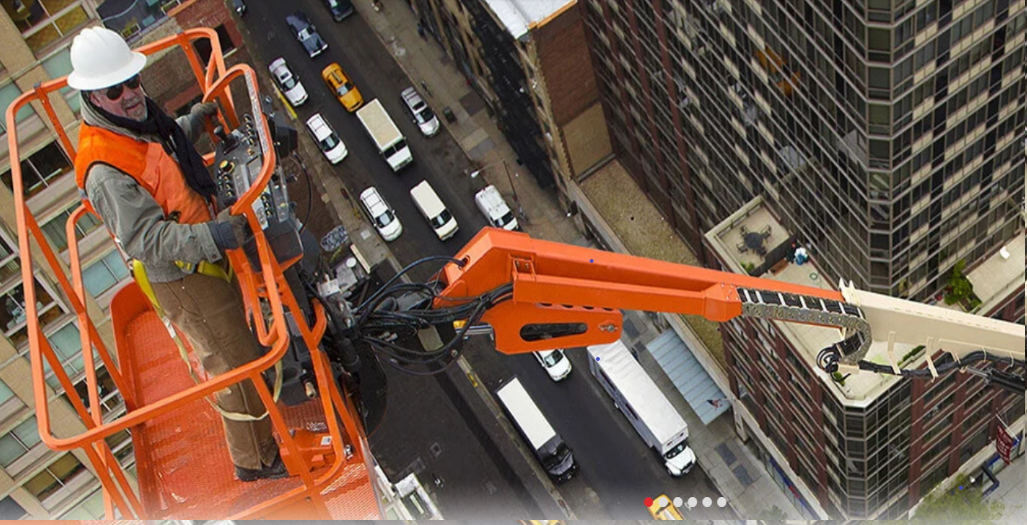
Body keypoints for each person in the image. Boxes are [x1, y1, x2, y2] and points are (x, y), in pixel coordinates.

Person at [67, 27, 286, 482]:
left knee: (241, 346)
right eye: (116, 89)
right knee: (238, 363)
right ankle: (256, 462)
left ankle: (261, 445)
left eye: (132, 81)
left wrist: (190, 122)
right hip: (184, 273)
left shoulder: (134, 120)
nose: (130, 94)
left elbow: (160, 157)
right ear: (93, 95)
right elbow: (146, 240)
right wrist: (216, 237)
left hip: (198, 244)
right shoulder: (104, 171)